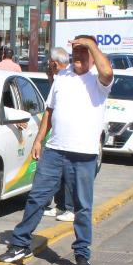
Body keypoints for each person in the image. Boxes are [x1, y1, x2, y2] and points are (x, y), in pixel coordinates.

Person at [0, 35, 113, 265]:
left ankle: (82, 254)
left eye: (85, 52)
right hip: (55, 150)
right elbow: (49, 112)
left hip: (84, 155)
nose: (79, 56)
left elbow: (108, 72)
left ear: (93, 55)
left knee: (82, 207)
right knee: (37, 198)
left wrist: (90, 44)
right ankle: (20, 243)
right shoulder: (62, 77)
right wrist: (39, 140)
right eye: (77, 51)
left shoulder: (98, 80)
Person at [41, 47, 76, 223]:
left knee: (69, 174)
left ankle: (70, 208)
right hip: (57, 136)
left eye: (50, 63)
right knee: (59, 175)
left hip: (72, 138)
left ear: (55, 63)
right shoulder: (58, 79)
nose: (48, 66)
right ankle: (61, 206)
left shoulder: (71, 78)